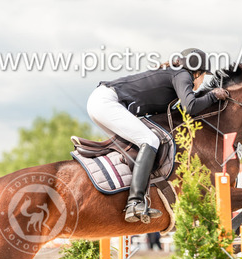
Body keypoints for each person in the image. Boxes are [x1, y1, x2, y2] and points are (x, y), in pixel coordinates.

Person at [87, 48, 228, 223]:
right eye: (204, 76)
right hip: (107, 102)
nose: (202, 81)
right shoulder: (182, 75)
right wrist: (213, 95)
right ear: (197, 72)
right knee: (150, 140)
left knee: (139, 146)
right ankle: (135, 201)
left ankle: (126, 194)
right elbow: (190, 107)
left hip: (102, 101)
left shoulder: (175, 75)